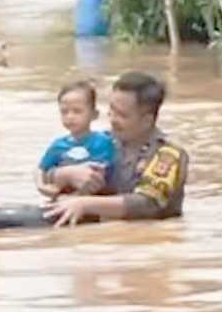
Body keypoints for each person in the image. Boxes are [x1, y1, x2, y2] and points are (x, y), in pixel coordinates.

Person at [44, 71, 188, 227]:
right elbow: (47, 174)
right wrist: (67, 174)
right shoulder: (102, 143)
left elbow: (147, 204)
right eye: (111, 110)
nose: (112, 120)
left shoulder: (168, 154)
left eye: (122, 115)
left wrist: (85, 204)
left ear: (147, 120)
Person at [36, 80, 116, 199]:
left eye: (77, 111)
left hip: (94, 201)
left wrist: (76, 197)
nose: (70, 117)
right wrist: (41, 186)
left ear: (94, 114)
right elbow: (41, 169)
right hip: (62, 198)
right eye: (64, 112)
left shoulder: (103, 142)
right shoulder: (58, 145)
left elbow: (101, 176)